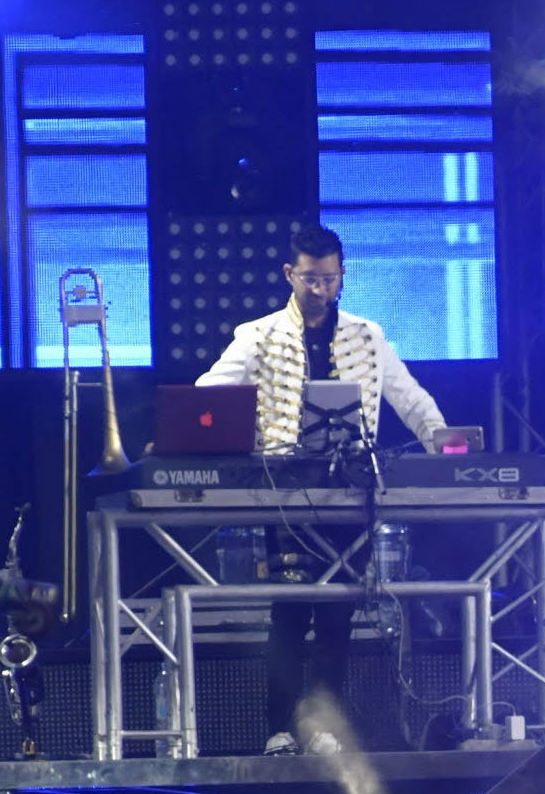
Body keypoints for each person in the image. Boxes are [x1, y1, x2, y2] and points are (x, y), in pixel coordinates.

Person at [192, 224, 448, 751]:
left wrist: (443, 447)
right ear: (291, 274)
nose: (320, 289)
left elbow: (410, 397)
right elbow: (207, 395)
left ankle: (326, 727)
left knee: (339, 612)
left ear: (341, 276)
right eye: (311, 278)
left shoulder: (367, 335)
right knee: (289, 611)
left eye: (330, 279)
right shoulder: (257, 335)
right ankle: (280, 728)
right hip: (285, 491)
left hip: (352, 487)